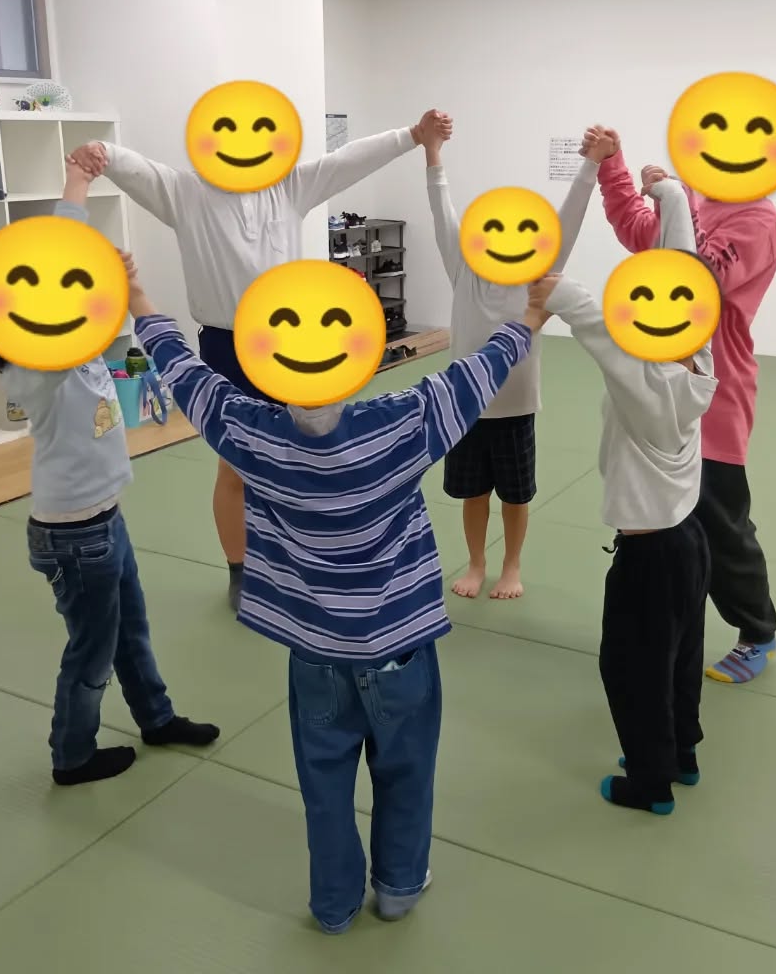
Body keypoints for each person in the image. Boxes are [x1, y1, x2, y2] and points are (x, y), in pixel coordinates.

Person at [120, 250, 549, 932]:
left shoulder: (249, 431)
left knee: (324, 783)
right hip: (401, 649)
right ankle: (399, 887)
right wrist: (529, 318)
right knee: (407, 770)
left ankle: (333, 904)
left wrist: (140, 300)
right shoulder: (402, 422)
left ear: (263, 357)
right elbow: (477, 373)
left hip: (315, 656)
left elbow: (187, 374)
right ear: (363, 354)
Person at [69, 109, 452, 610]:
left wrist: (411, 136)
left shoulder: (289, 187)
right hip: (225, 347)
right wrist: (105, 153)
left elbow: (347, 161)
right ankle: (241, 569)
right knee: (235, 467)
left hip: (291, 343)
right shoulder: (186, 192)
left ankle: (302, 561)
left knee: (305, 456)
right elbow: (139, 170)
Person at [0, 162, 219, 786]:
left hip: (104, 520)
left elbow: (67, 250)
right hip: (72, 536)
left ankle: (157, 718)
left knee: (130, 631)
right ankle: (72, 756)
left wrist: (79, 181)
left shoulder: (81, 348)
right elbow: (59, 262)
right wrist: (77, 195)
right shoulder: (38, 368)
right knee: (91, 651)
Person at [530, 173, 717, 814]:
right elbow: (682, 268)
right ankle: (682, 754)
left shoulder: (644, 383)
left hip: (650, 559)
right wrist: (669, 197)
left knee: (632, 668)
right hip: (690, 543)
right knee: (681, 656)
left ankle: (649, 783)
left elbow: (599, 330)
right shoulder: (698, 356)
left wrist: (560, 292)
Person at [595, 138, 776, 684]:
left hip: (714, 393)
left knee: (721, 524)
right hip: (662, 390)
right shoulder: (694, 201)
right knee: (666, 523)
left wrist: (675, 201)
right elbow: (639, 232)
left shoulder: (759, 219)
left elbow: (701, 279)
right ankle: (677, 627)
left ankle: (758, 631)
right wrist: (614, 167)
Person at [423, 123, 612, 599]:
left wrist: (590, 164)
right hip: (466, 407)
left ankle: (511, 565)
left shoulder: (537, 276)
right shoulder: (463, 271)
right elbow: (441, 209)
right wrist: (433, 152)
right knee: (472, 494)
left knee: (515, 494)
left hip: (515, 408)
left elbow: (566, 222)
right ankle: (476, 562)